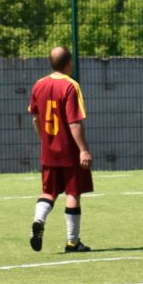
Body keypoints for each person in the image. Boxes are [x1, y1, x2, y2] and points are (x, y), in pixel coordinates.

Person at [27, 46, 93, 251]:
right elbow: (74, 122)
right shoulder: (71, 86)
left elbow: (36, 118)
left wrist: (45, 140)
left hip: (49, 151)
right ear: (68, 63)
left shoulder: (39, 84)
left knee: (48, 191)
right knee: (73, 192)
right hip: (69, 151)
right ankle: (73, 241)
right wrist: (83, 149)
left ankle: (39, 221)